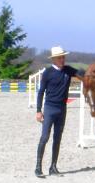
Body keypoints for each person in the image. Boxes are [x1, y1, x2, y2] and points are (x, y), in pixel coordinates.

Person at [34, 46, 83, 178]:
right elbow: (40, 93)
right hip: (50, 108)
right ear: (54, 59)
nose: (62, 59)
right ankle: (38, 167)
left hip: (62, 109)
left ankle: (53, 167)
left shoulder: (68, 70)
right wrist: (39, 111)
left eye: (63, 57)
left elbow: (82, 73)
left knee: (58, 138)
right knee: (45, 137)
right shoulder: (47, 73)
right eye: (60, 58)